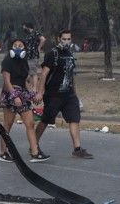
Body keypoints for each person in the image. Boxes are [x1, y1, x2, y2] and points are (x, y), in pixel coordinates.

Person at [36, 29, 93, 159]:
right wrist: (40, 92)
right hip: (54, 95)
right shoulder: (53, 54)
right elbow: (44, 74)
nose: (66, 42)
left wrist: (76, 95)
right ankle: (34, 145)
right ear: (58, 39)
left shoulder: (70, 54)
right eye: (64, 39)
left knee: (74, 119)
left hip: (69, 95)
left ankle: (77, 149)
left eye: (68, 39)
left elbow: (71, 75)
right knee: (46, 120)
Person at [0, 38, 46, 163]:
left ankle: (35, 152)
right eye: (15, 45)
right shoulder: (7, 61)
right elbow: (7, 81)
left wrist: (32, 94)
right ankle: (2, 152)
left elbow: (24, 81)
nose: (18, 47)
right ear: (12, 48)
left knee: (30, 123)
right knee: (8, 124)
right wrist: (14, 96)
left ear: (24, 48)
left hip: (22, 94)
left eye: (20, 45)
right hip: (10, 95)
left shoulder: (24, 62)